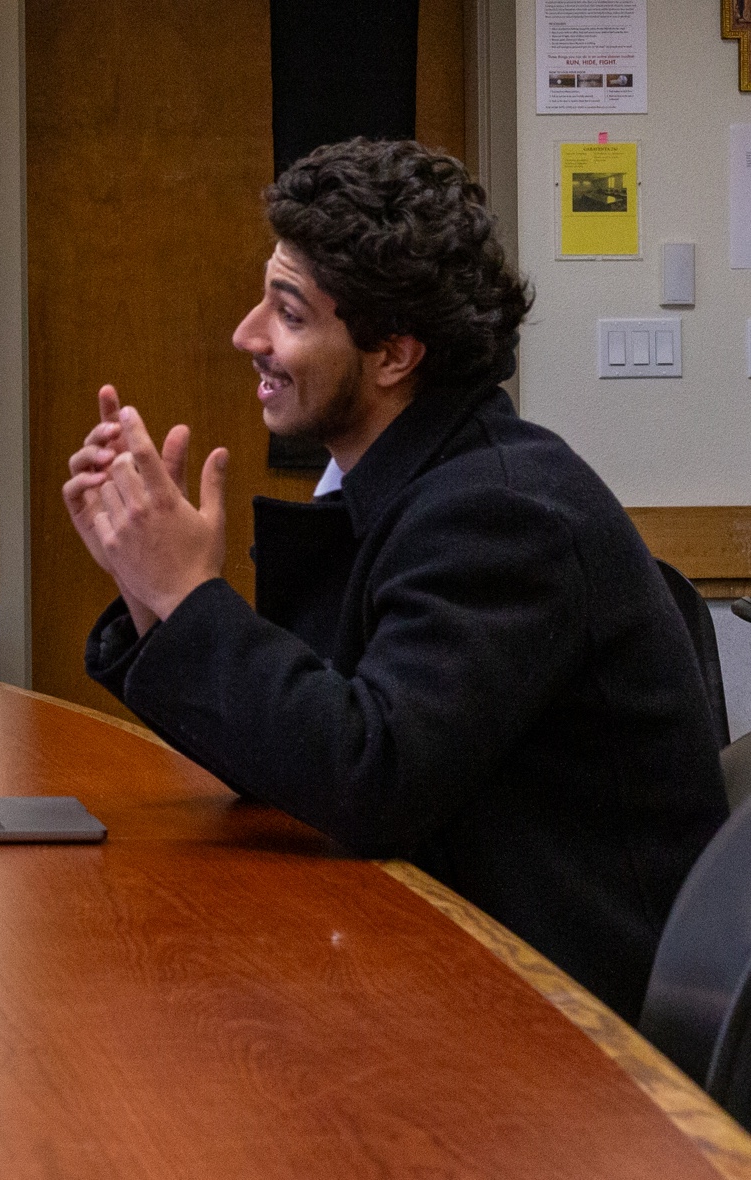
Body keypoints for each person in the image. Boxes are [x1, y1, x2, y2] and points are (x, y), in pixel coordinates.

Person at [64, 139, 725, 1021]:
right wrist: (152, 591)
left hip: (564, 1018)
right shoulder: (415, 480)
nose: (246, 335)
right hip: (453, 954)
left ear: (392, 356)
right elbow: (303, 750)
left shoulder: (502, 511)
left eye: (288, 313)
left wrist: (188, 597)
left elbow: (366, 774)